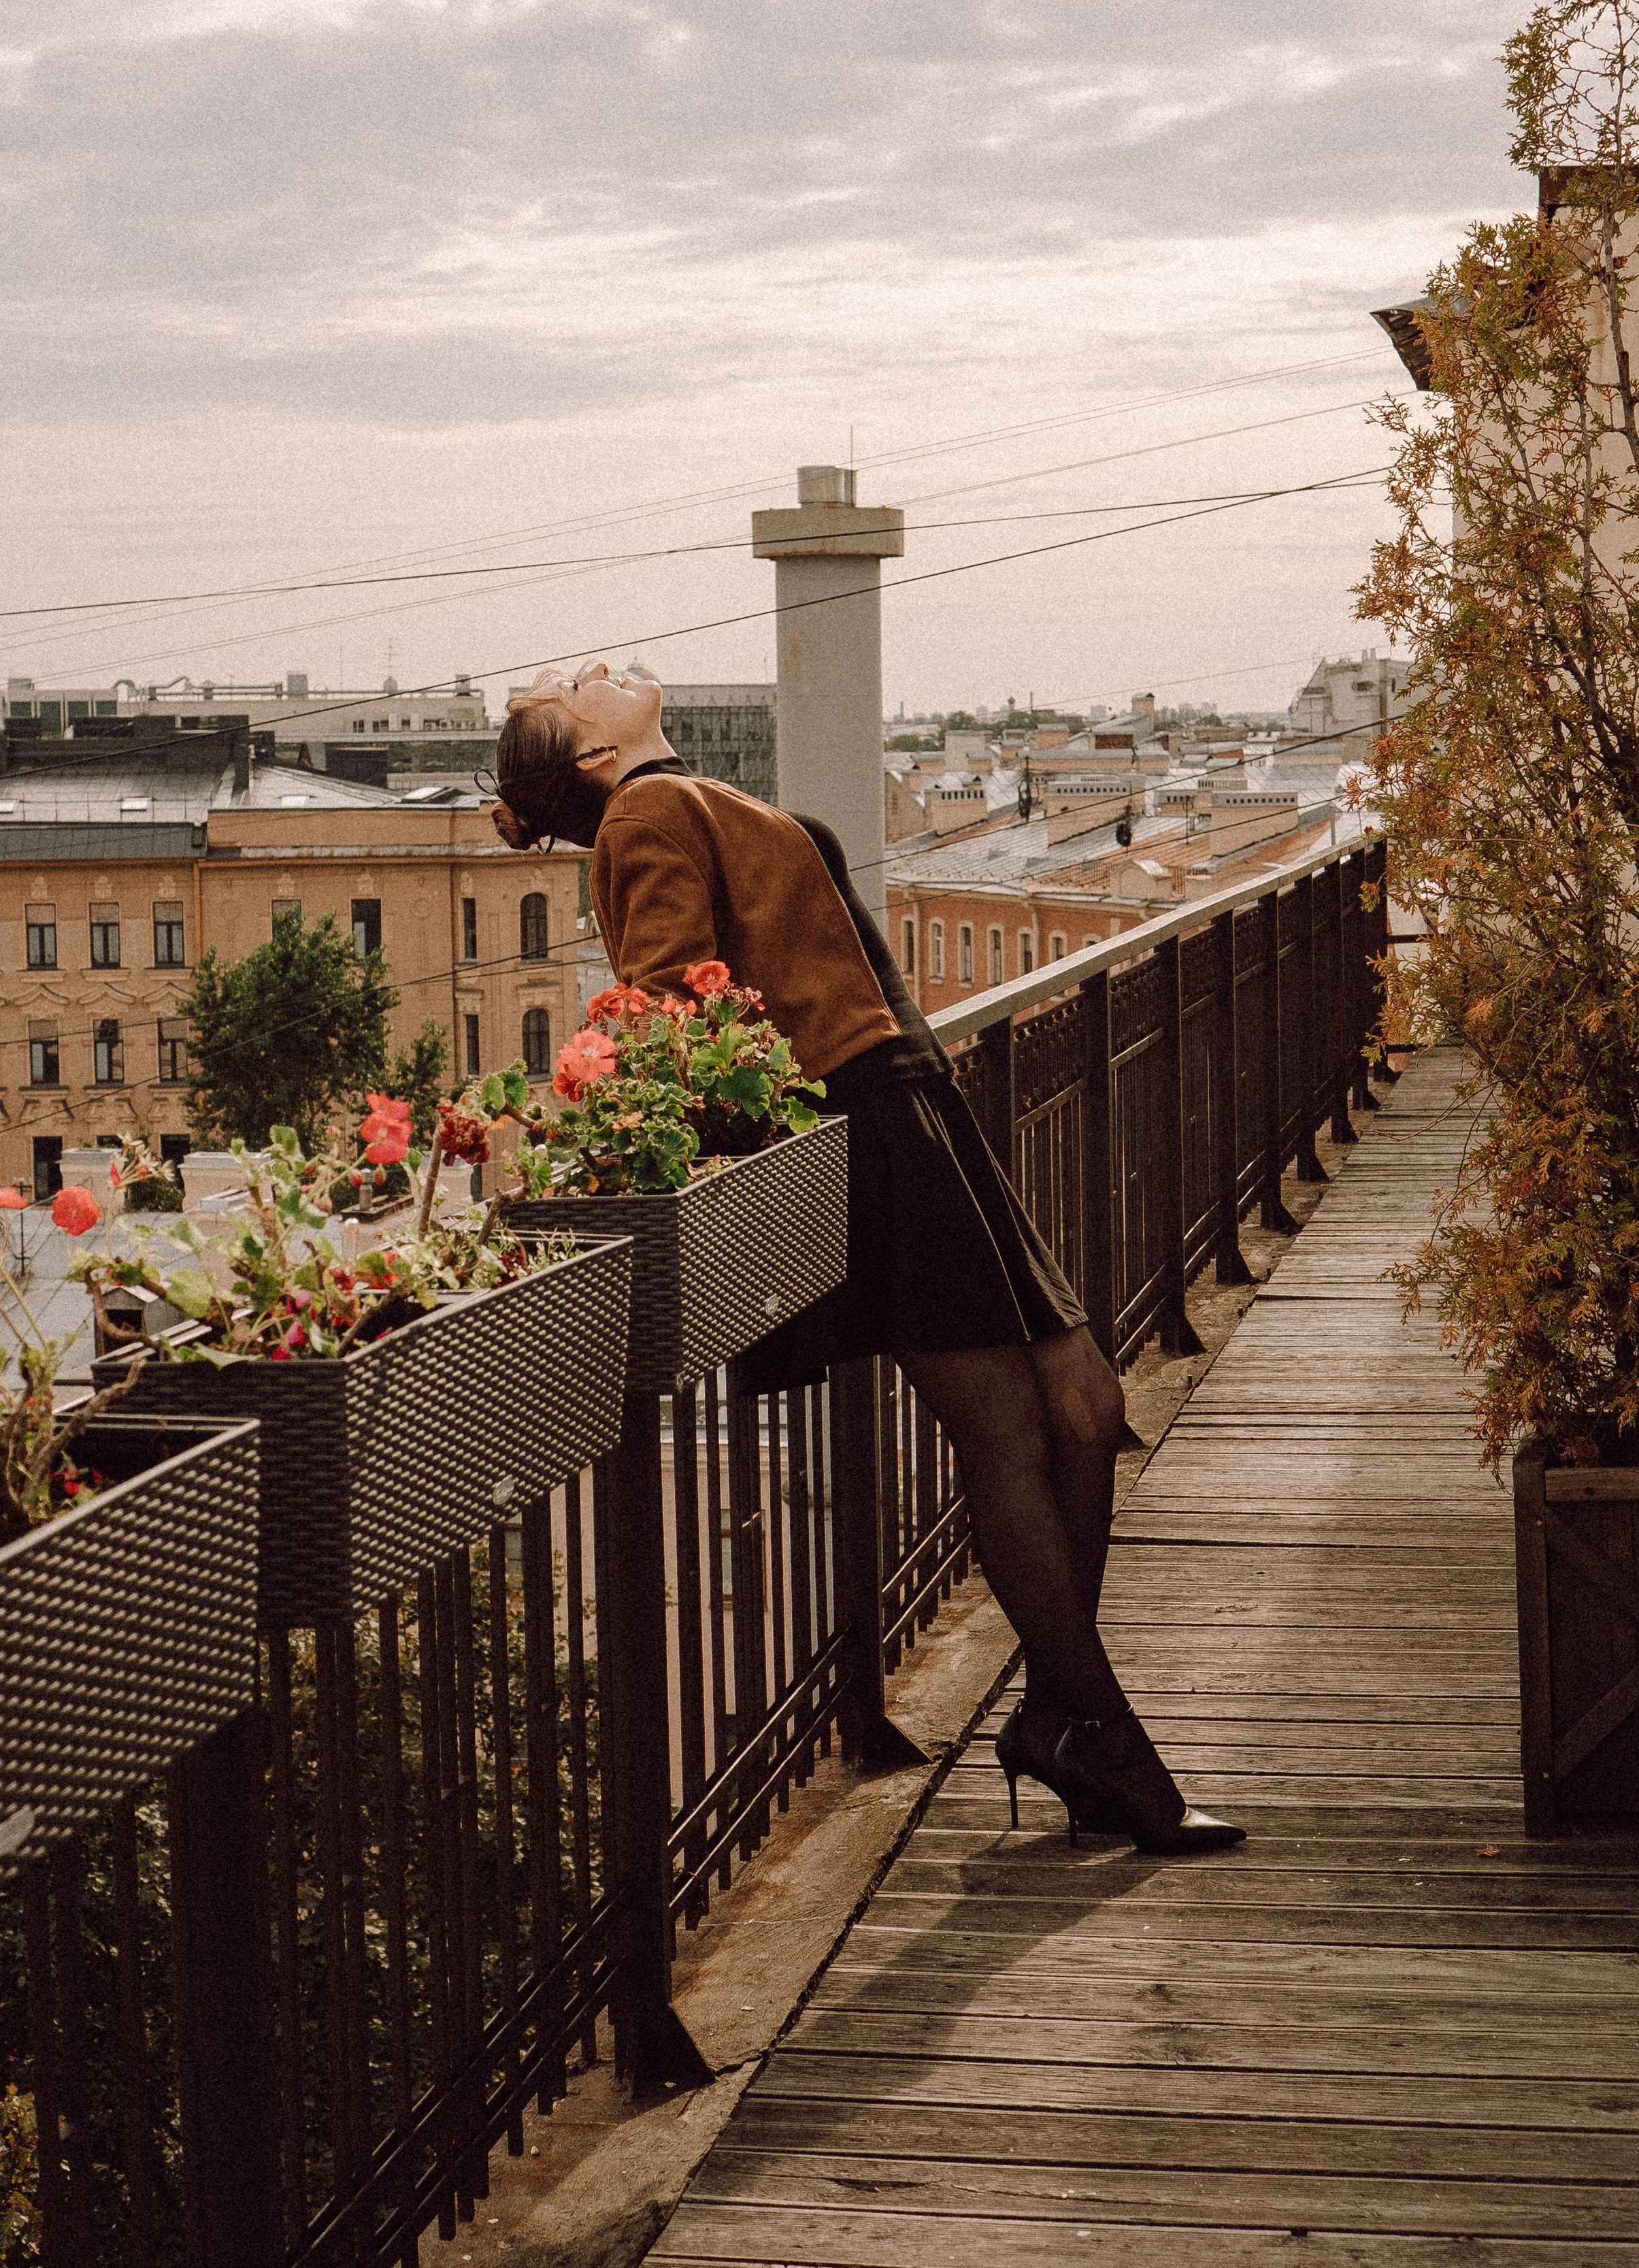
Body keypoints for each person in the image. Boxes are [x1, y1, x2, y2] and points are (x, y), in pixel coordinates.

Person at [491, 660, 1242, 1855]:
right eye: (575, 686)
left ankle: (1058, 1716)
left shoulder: (688, 795)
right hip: (869, 1121)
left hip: (915, 1101)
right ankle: (1108, 1744)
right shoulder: (645, 810)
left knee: (1087, 1408)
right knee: (1012, 1432)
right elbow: (665, 1004)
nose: (597, 668)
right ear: (592, 753)